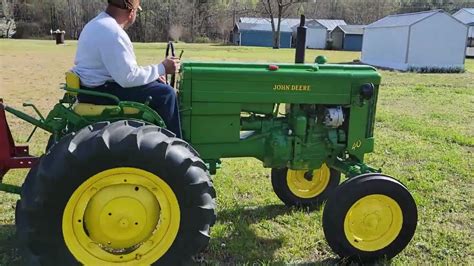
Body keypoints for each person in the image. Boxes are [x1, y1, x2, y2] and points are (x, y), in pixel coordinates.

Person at [72, 0, 182, 138]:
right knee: (166, 94)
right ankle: (177, 151)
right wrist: (162, 68)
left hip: (90, 88)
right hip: (100, 92)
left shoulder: (96, 24)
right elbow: (128, 77)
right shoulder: (113, 32)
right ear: (131, 12)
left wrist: (155, 74)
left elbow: (121, 70)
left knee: (158, 86)